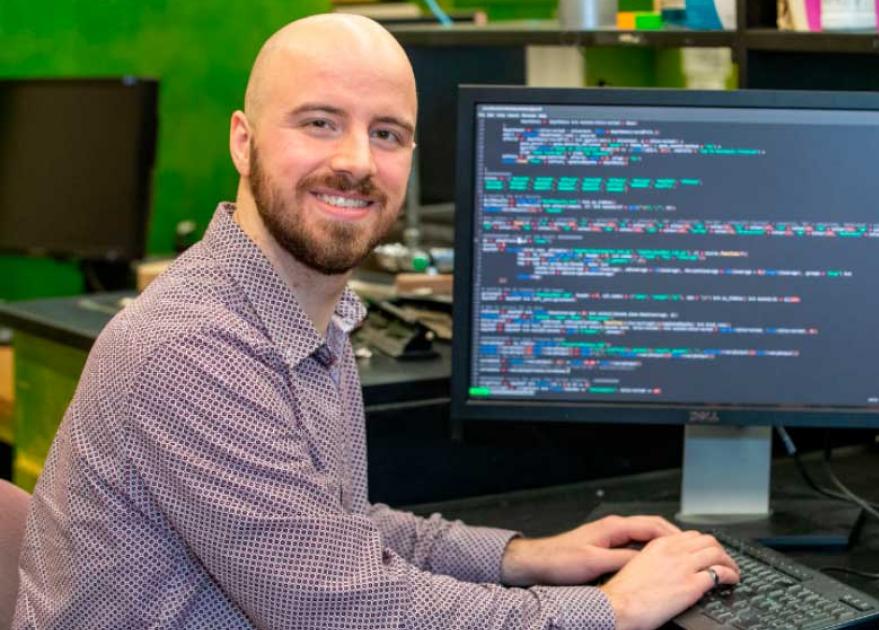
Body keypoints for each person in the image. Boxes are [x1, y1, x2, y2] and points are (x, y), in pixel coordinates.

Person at [14, 14, 738, 630]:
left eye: (387, 133)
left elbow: (332, 529)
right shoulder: (192, 347)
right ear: (243, 140)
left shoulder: (304, 318)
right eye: (320, 122)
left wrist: (524, 556)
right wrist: (609, 609)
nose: (356, 161)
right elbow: (345, 605)